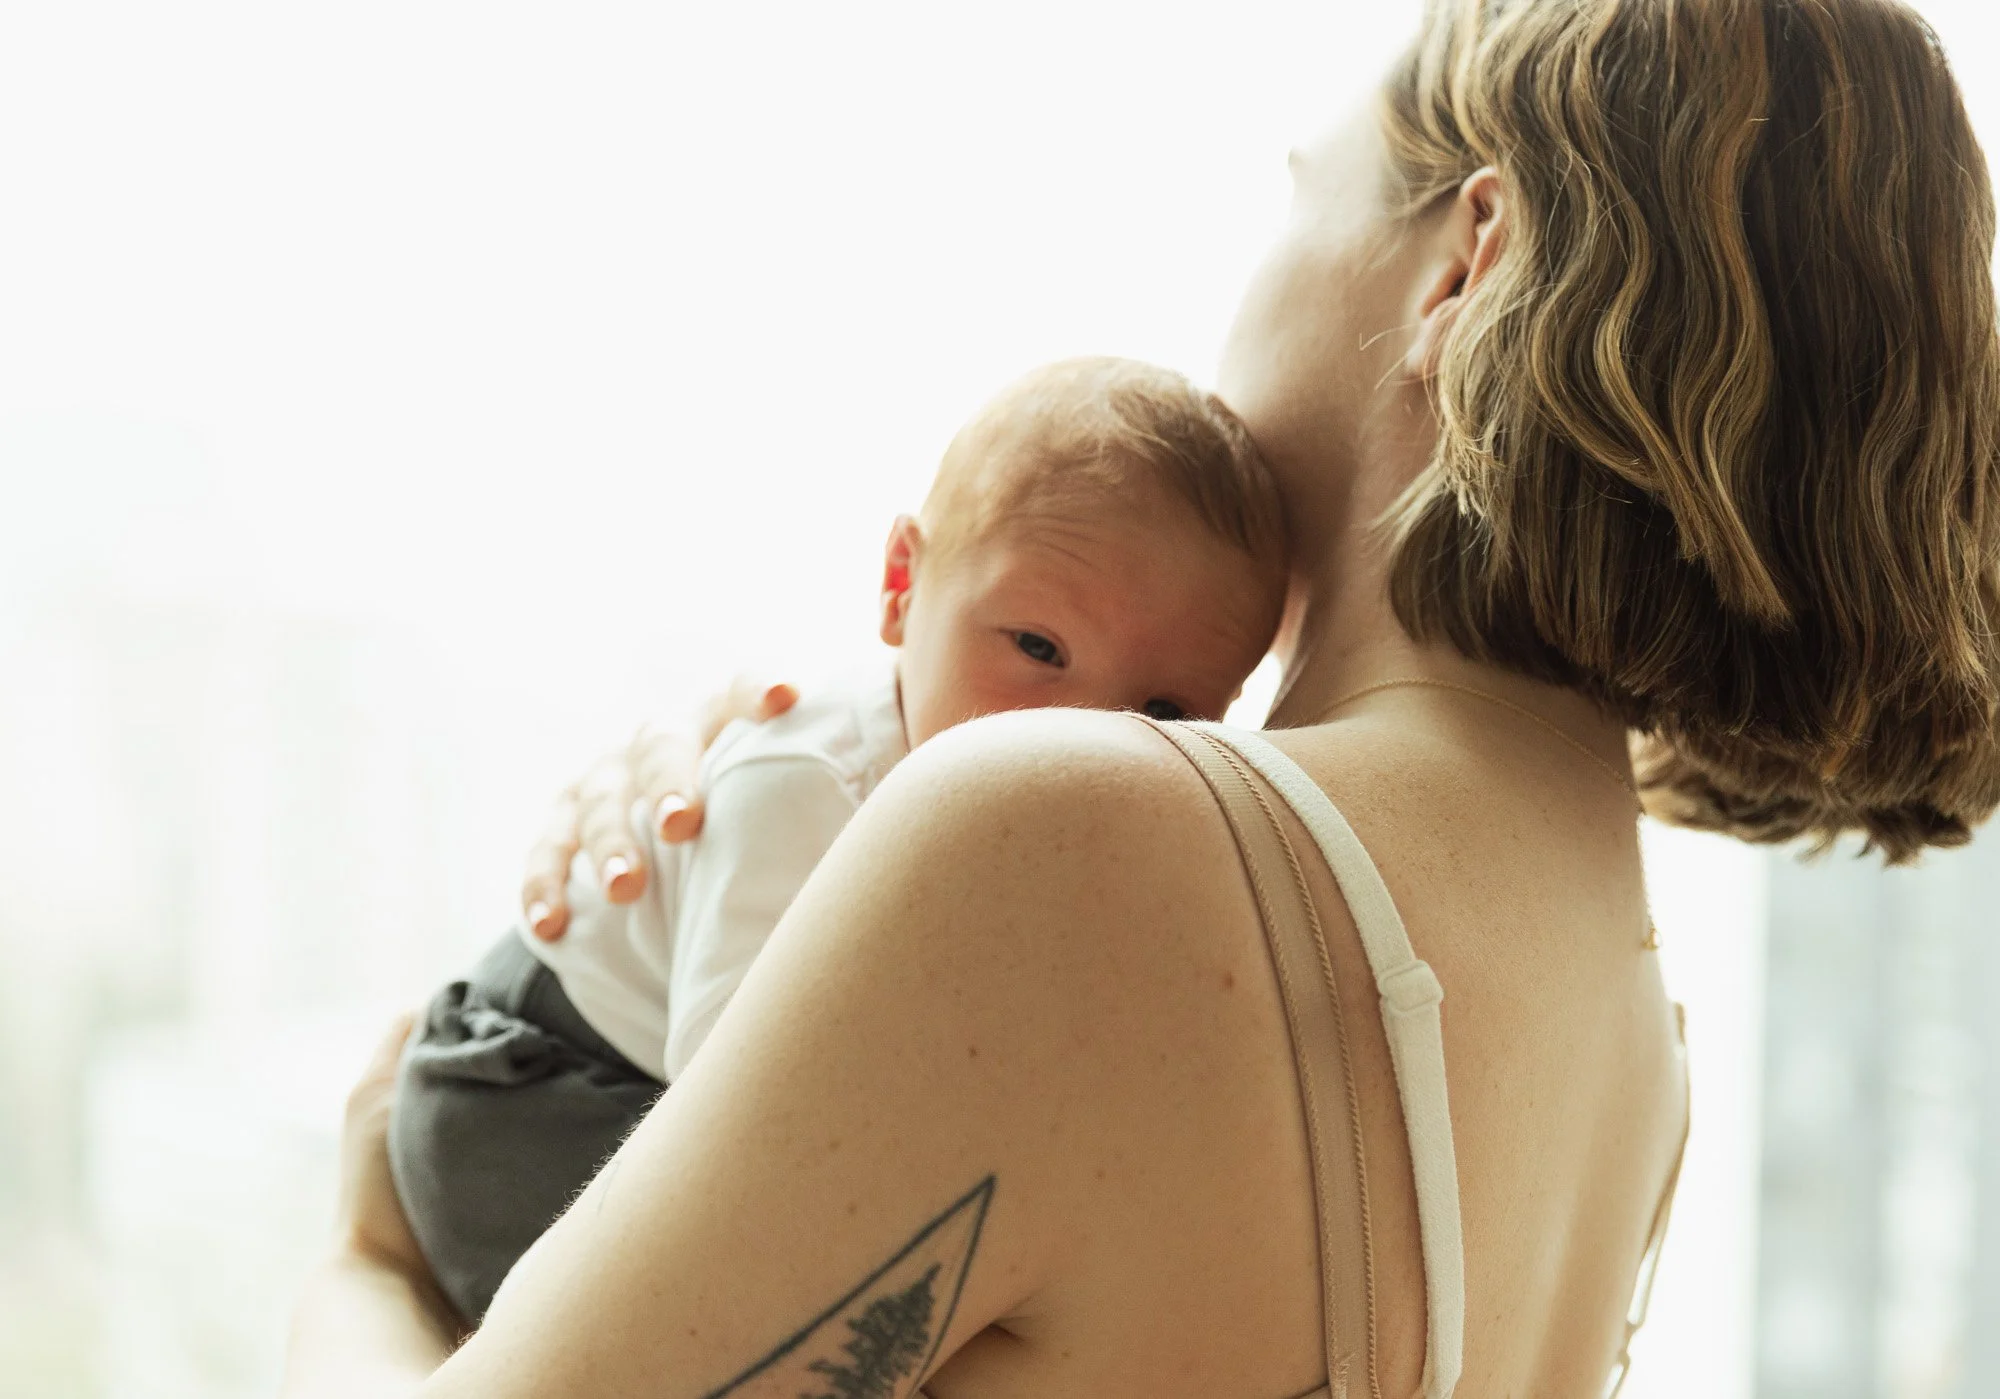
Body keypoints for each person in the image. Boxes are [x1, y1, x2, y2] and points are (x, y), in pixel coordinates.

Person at [283, 1, 2000, 1395]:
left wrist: (366, 1248)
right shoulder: (1631, 1024)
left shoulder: (1078, 837)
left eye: (1299, 191)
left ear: (1464, 260)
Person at [387, 357, 1288, 1325]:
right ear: (902, 586)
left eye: (1164, 711)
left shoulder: (1103, 833)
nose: (1082, 734)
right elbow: (731, 1108)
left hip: (654, 1095)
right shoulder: (809, 784)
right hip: (527, 1087)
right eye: (1037, 648)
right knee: (758, 1292)